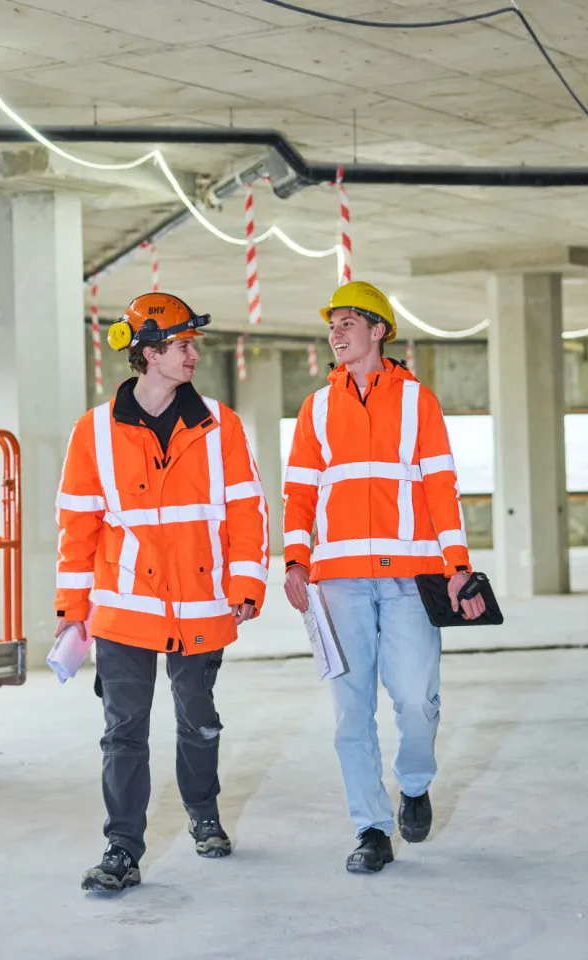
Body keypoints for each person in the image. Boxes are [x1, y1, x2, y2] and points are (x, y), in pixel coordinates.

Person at [55, 292, 270, 893]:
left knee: (198, 720)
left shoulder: (219, 424)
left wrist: (248, 579)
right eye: (181, 345)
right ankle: (121, 846)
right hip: (123, 608)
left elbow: (247, 510)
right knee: (124, 730)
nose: (192, 354)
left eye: (191, 344)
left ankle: (204, 814)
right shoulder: (94, 431)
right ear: (149, 353)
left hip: (201, 604)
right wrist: (72, 611)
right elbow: (78, 525)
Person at [282, 280, 487, 874]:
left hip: (410, 582)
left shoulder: (418, 401)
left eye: (349, 321)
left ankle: (415, 784)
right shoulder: (317, 407)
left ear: (379, 331)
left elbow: (440, 488)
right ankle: (370, 828)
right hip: (339, 582)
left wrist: (457, 568)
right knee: (351, 713)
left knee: (417, 701)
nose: (337, 332)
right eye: (332, 324)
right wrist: (295, 559)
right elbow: (299, 492)